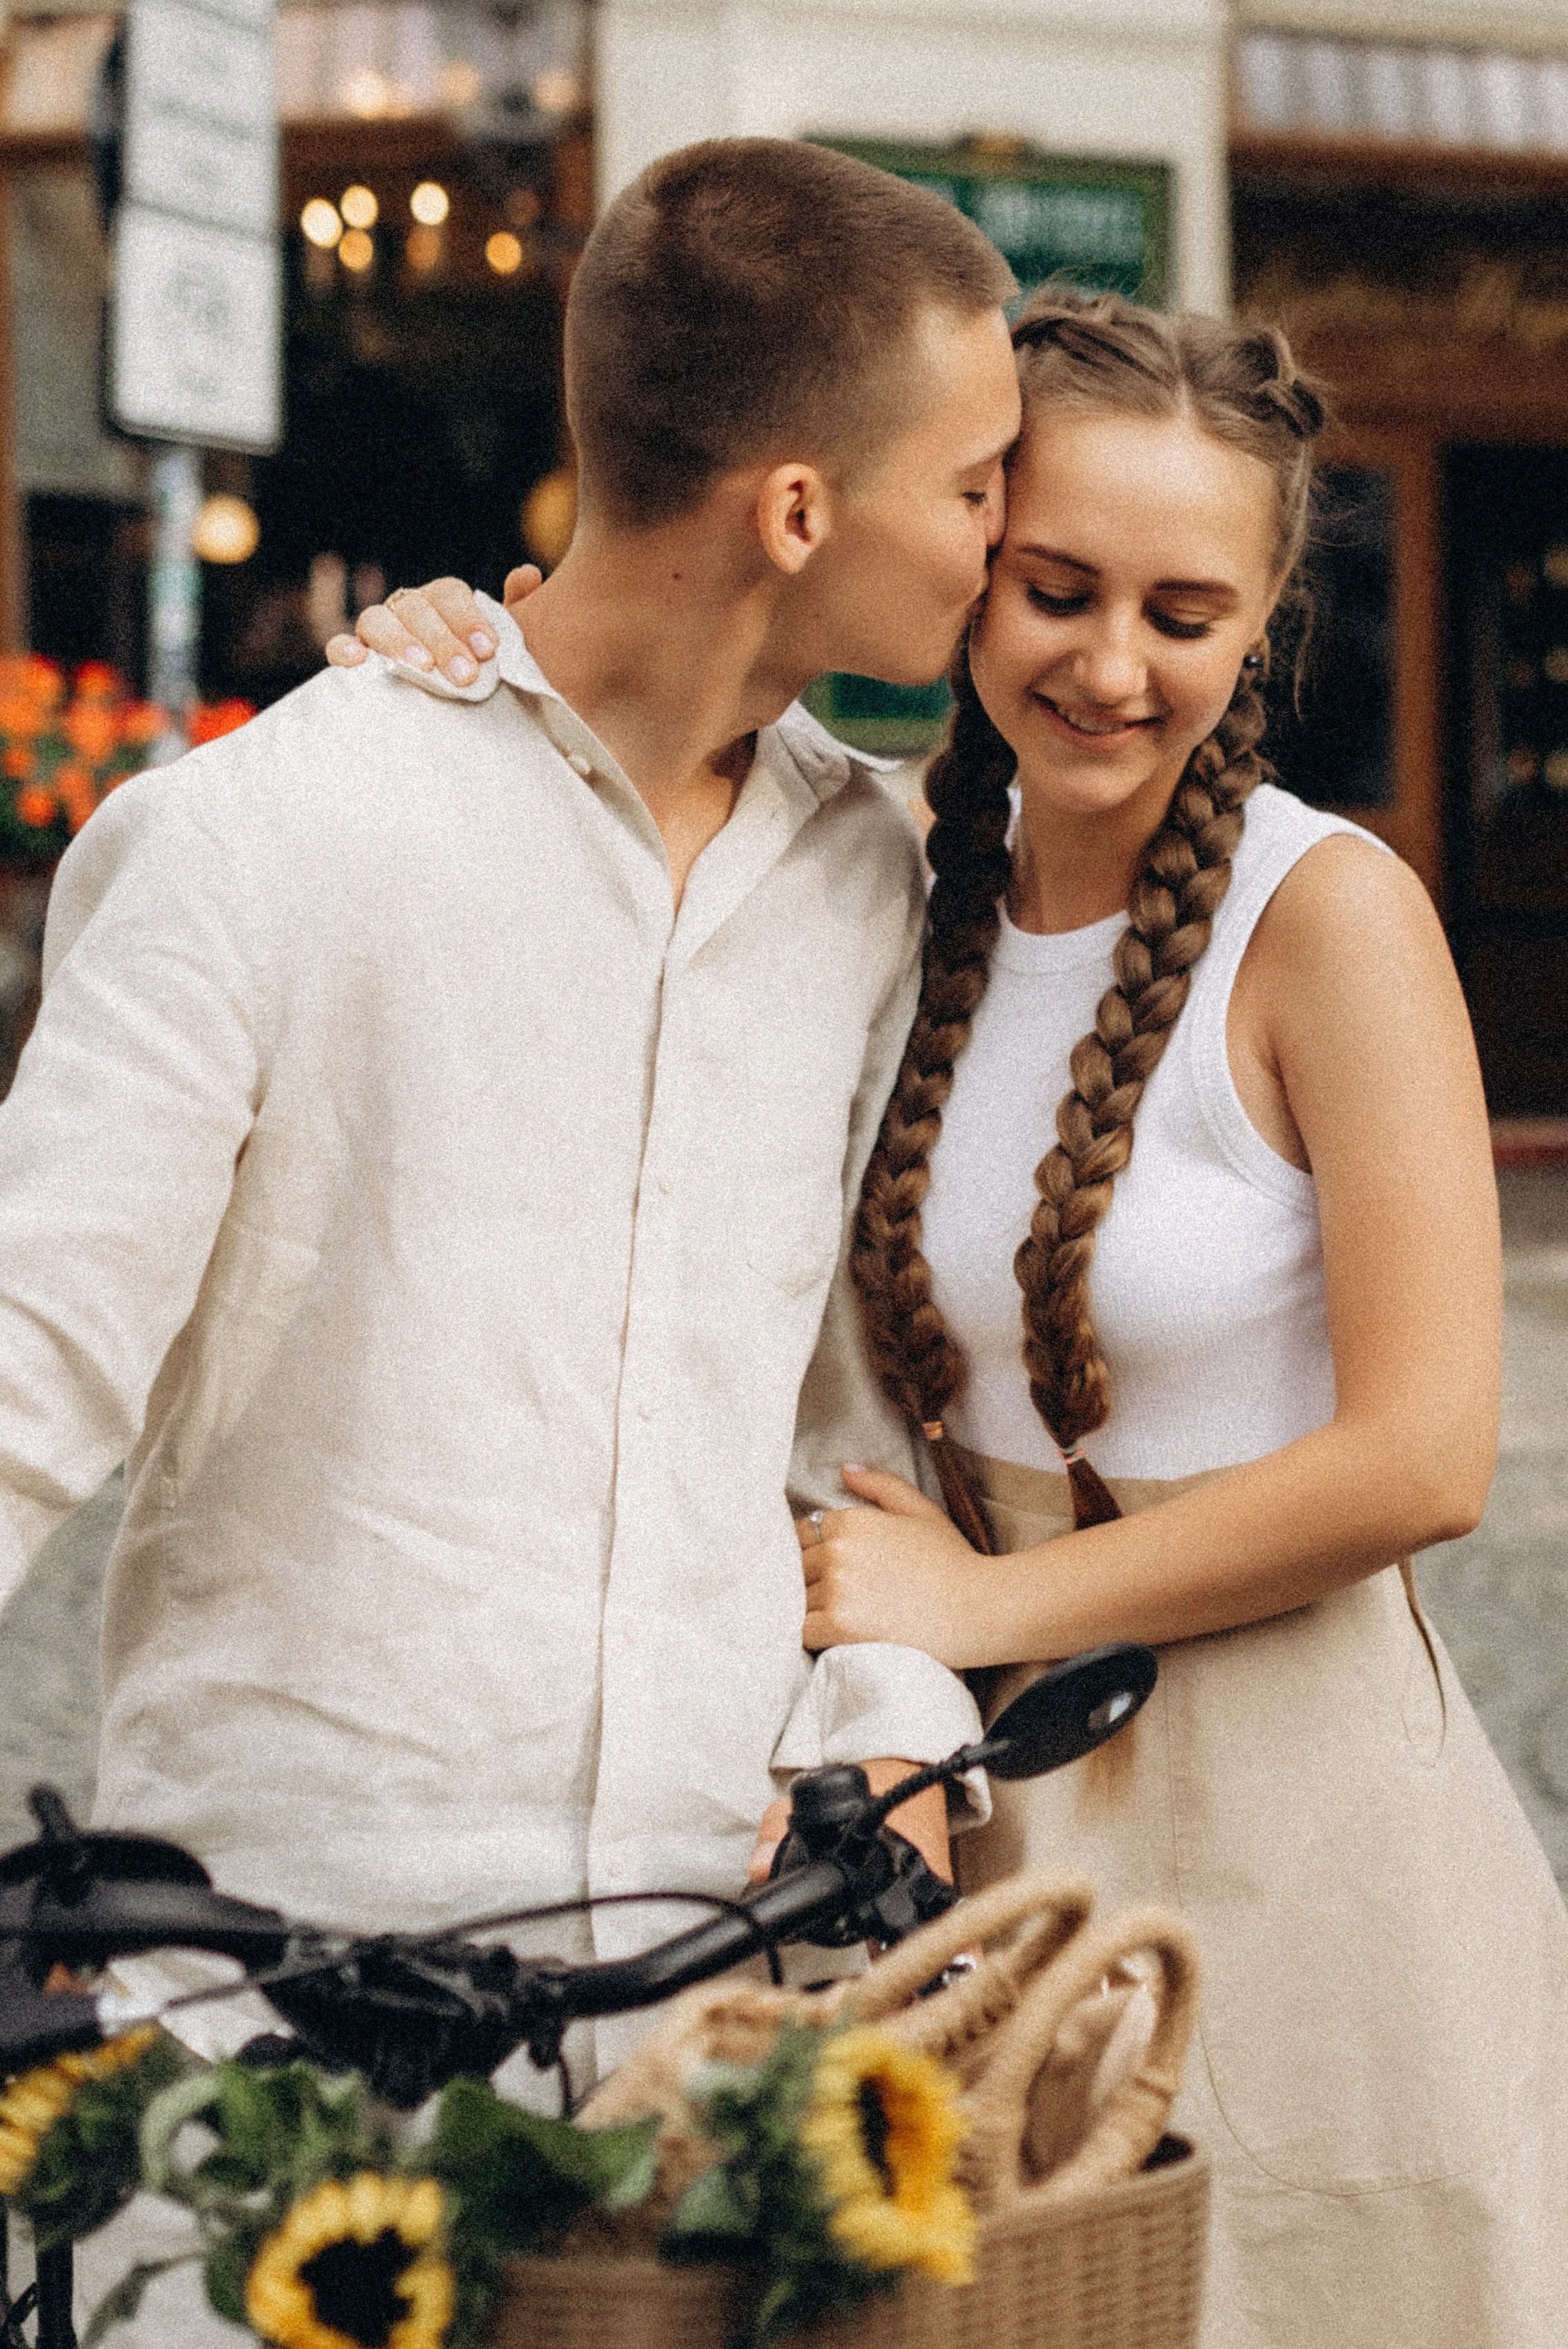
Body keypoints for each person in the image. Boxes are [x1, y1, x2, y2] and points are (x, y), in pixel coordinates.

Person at [352, 286, 1568, 2348]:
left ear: (1265, 623)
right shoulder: (874, 858)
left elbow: (1427, 1455)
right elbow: (626, 719)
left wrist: (988, 1603)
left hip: (1302, 1796)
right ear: (972, 562)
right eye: (1057, 588)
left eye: (1185, 613)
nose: (1110, 665)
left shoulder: (1330, 917)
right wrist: (458, 655)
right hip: (961, 1801)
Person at [0, 134, 1026, 2154]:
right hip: (275, 2012)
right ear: (797, 511)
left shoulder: (873, 885)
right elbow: (25, 1362)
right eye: (977, 486)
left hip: (712, 2021)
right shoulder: (261, 841)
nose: (1004, 538)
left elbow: (855, 1428)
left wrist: (892, 1744)